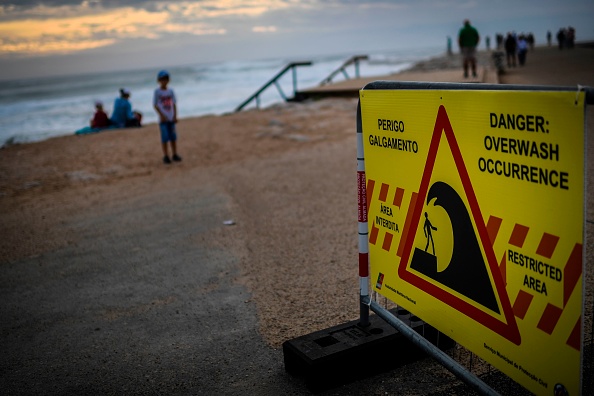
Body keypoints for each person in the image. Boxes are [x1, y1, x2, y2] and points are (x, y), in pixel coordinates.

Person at [153, 70, 181, 164]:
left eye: (165, 79)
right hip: (163, 119)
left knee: (173, 137)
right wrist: (161, 115)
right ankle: (166, 155)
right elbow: (155, 105)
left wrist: (175, 115)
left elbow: (174, 104)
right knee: (164, 138)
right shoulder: (157, 92)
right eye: (162, 79)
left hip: (171, 117)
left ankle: (174, 154)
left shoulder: (170, 91)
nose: (164, 81)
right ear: (159, 80)